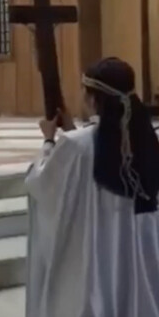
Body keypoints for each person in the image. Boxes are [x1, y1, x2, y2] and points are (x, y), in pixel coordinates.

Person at [26, 57, 159, 317]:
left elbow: (41, 184)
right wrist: (72, 132)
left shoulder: (77, 145)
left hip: (99, 260)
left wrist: (49, 141)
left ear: (94, 99)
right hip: (142, 254)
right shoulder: (147, 139)